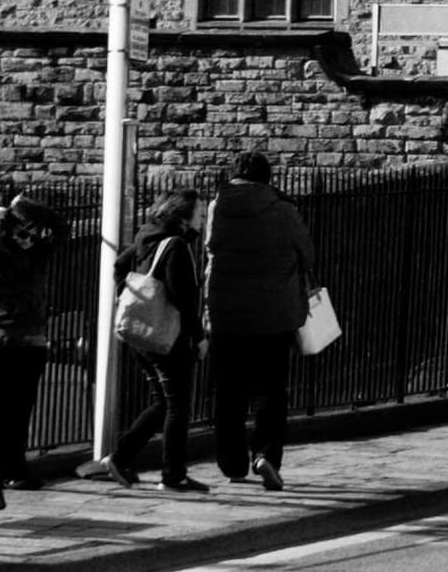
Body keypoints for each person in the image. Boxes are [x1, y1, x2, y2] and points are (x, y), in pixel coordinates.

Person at [201, 142, 313, 490]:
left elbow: (210, 252)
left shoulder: (217, 207)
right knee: (271, 391)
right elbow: (307, 254)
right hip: (274, 316)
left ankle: (232, 462)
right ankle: (265, 454)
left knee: (229, 392)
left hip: (226, 315)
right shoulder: (283, 209)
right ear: (267, 177)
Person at [0, 191, 65, 507]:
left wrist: (26, 209)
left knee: (21, 410)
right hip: (5, 338)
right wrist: (1, 221)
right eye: (20, 233)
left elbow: (60, 228)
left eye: (30, 233)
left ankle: (16, 466)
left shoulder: (38, 254)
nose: (27, 238)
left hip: (35, 339)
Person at [114, 188, 205, 486]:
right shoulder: (176, 246)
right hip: (168, 338)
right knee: (177, 406)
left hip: (141, 334)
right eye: (199, 213)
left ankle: (119, 458)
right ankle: (173, 475)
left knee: (162, 403)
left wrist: (128, 294)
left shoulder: (146, 236)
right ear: (183, 216)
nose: (202, 219)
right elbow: (184, 299)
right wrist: (199, 337)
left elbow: (119, 266)